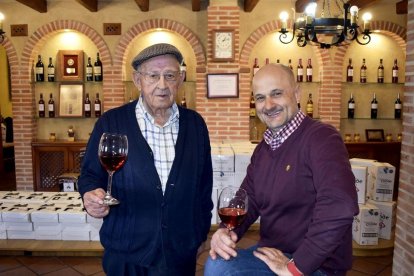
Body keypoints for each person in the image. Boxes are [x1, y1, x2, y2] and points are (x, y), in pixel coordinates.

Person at [205, 64, 359, 276]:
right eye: (260, 98)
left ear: (296, 94)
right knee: (216, 264)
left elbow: (340, 205)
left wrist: (296, 268)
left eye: (276, 94)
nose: (268, 105)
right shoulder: (264, 147)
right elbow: (248, 198)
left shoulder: (322, 138)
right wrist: (225, 231)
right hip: (274, 254)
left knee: (222, 271)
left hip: (316, 264)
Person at [78, 43, 213, 276]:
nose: (162, 85)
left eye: (169, 75)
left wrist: (200, 234)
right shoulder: (111, 122)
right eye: (153, 75)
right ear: (137, 80)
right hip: (125, 251)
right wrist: (90, 195)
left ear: (180, 79)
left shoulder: (195, 124)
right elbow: (90, 176)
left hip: (178, 252)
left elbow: (204, 186)